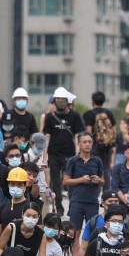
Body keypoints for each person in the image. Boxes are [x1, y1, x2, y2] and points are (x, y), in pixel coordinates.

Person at [44, 88, 85, 217]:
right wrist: (45, 155)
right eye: (58, 100)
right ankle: (59, 206)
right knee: (56, 182)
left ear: (67, 101)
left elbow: (78, 135)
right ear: (54, 101)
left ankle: (72, 206)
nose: (60, 102)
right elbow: (47, 137)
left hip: (70, 154)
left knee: (70, 181)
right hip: (54, 153)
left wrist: (79, 153)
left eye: (62, 100)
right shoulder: (50, 117)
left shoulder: (75, 116)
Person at [64, 132, 105, 235]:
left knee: (92, 232)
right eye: (84, 142)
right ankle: (75, 251)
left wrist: (98, 180)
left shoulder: (97, 161)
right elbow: (66, 181)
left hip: (92, 201)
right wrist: (81, 180)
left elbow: (103, 182)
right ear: (79, 144)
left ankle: (88, 251)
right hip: (76, 201)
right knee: (75, 233)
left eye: (89, 142)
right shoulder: (72, 160)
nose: (87, 144)